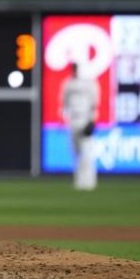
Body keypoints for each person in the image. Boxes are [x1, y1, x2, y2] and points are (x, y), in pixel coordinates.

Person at [59, 62, 101, 191]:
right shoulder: (68, 84)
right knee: (75, 151)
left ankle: (89, 182)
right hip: (72, 120)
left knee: (86, 151)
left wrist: (92, 120)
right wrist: (65, 117)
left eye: (76, 68)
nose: (75, 70)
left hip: (85, 119)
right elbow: (64, 102)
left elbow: (95, 102)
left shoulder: (90, 83)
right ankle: (79, 180)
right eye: (73, 68)